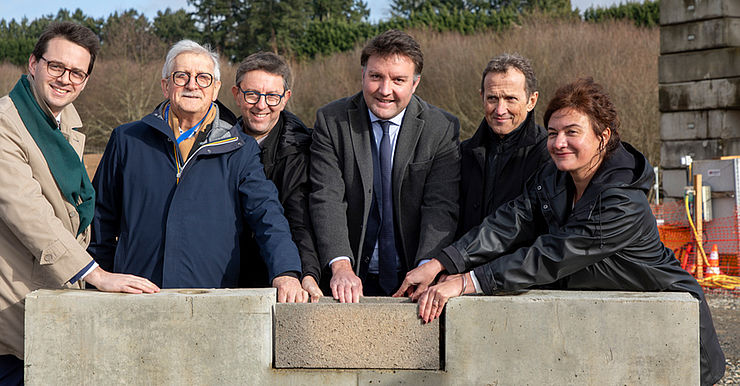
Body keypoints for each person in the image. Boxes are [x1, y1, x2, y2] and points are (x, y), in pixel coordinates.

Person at [394, 78, 725, 385]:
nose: (559, 143)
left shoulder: (622, 202)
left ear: (603, 136)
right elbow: (510, 221)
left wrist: (467, 281)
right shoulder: (553, 177)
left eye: (572, 132)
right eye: (552, 133)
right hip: (610, 328)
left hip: (672, 331)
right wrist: (442, 262)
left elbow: (552, 255)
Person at [0, 22, 160, 385]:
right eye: (56, 66)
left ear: (86, 80)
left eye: (77, 72)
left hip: (55, 291)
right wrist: (97, 275)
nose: (65, 79)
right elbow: (31, 216)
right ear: (34, 64)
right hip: (15, 295)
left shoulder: (62, 125)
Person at [88, 40, 307, 302]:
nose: (192, 85)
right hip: (136, 296)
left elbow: (266, 213)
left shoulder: (239, 148)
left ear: (215, 89)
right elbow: (100, 219)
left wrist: (285, 271)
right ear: (165, 85)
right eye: (182, 76)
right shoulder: (127, 140)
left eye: (203, 78)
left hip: (210, 298)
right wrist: (96, 281)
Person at [310, 30, 460, 302]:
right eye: (376, 76)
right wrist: (340, 266)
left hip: (414, 274)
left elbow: (440, 205)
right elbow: (327, 197)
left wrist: (427, 267)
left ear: (415, 83)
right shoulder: (331, 121)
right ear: (363, 75)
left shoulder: (441, 128)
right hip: (348, 276)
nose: (384, 90)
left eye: (398, 80)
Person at [231, 52, 323, 301]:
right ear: (237, 95)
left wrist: (306, 272)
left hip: (284, 280)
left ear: (285, 99)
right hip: (228, 280)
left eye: (272, 96)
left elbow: (301, 220)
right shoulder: (217, 147)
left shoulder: (306, 151)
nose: (261, 105)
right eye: (252, 95)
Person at [458, 53, 550, 236]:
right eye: (492, 98)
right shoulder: (463, 153)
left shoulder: (548, 154)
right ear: (482, 97)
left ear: (531, 101)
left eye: (510, 99)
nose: (500, 110)